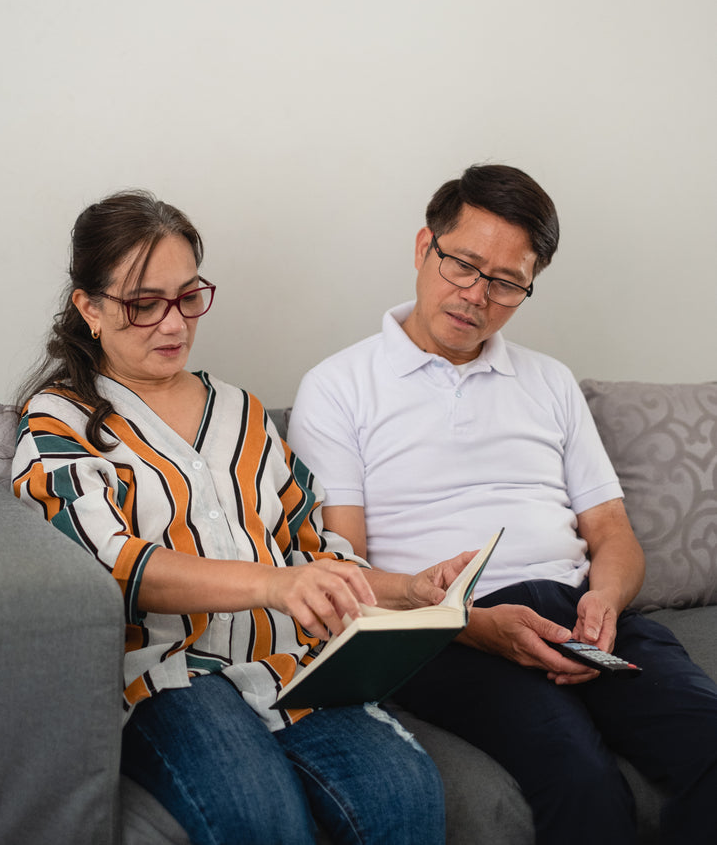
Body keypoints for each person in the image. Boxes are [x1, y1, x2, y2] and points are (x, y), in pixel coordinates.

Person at [12, 189, 471, 845]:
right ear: (89, 307)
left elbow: (313, 545)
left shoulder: (242, 412)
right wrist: (271, 583)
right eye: (144, 304)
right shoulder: (60, 421)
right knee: (264, 820)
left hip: (289, 663)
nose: (174, 324)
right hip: (168, 676)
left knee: (408, 794)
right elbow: (107, 562)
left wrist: (409, 588)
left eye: (188, 296)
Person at [288, 163, 717, 845]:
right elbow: (347, 565)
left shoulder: (548, 381)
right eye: (463, 265)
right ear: (425, 247)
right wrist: (475, 623)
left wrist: (605, 602)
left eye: (507, 282)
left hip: (580, 613)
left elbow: (612, 531)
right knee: (578, 775)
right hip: (447, 635)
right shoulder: (339, 386)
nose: (476, 296)